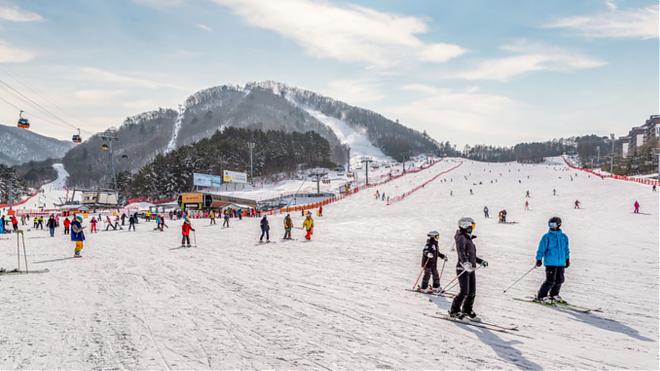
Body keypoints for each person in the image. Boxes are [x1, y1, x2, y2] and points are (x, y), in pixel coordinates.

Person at [449, 217, 487, 319]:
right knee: (464, 291)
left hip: (471, 269)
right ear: (465, 226)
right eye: (471, 226)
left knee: (472, 292)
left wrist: (480, 261)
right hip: (463, 268)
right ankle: (454, 311)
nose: (472, 228)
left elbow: (472, 255)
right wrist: (465, 263)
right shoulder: (461, 237)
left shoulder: (468, 239)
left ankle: (467, 309)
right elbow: (461, 252)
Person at [535, 217, 570, 303]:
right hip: (550, 262)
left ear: (559, 224)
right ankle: (541, 296)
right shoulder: (546, 237)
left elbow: (566, 249)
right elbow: (541, 249)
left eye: (553, 224)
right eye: (550, 224)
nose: (551, 226)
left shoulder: (564, 237)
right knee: (550, 281)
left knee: (560, 280)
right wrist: (539, 259)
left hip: (561, 263)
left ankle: (554, 294)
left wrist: (567, 259)